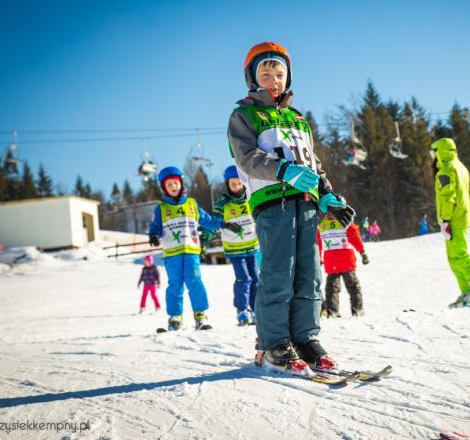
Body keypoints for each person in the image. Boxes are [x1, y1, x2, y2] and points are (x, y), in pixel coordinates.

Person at [227, 41, 355, 375]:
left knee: (309, 274)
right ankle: (273, 343)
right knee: (279, 272)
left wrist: (326, 194)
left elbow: (312, 163)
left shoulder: (298, 119)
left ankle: (306, 339)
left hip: (307, 204)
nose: (273, 79)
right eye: (265, 72)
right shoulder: (244, 114)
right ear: (252, 78)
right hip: (273, 203)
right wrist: (283, 171)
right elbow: (248, 158)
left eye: (279, 73)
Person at [148, 166, 223, 331]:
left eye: (175, 183)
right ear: (164, 188)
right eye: (169, 185)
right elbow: (155, 226)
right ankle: (175, 317)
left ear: (181, 184)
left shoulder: (192, 204)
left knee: (195, 281)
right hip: (172, 254)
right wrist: (153, 234)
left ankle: (200, 315)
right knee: (175, 285)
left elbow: (208, 221)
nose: (173, 187)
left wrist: (223, 222)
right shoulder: (161, 208)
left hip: (191, 252)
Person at [432, 138, 470, 308]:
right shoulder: (460, 168)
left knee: (459, 255)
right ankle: (468, 291)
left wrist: (446, 219)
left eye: (434, 154)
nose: (433, 158)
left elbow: (448, 197)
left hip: (454, 218)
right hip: (462, 215)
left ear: (440, 152)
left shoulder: (446, 171)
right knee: (454, 257)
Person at [214, 165, 261, 326]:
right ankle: (242, 310)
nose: (236, 187)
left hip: (252, 247)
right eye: (233, 184)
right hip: (235, 249)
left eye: (239, 183)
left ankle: (255, 309)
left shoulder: (250, 197)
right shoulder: (223, 202)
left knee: (255, 278)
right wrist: (225, 224)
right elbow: (214, 221)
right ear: (227, 184)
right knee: (244, 278)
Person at [317, 213, 369, 318]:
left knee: (332, 288)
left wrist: (319, 258)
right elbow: (355, 237)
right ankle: (357, 309)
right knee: (353, 286)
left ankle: (332, 311)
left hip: (331, 262)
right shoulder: (345, 222)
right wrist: (362, 252)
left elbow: (318, 244)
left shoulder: (322, 226)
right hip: (347, 261)